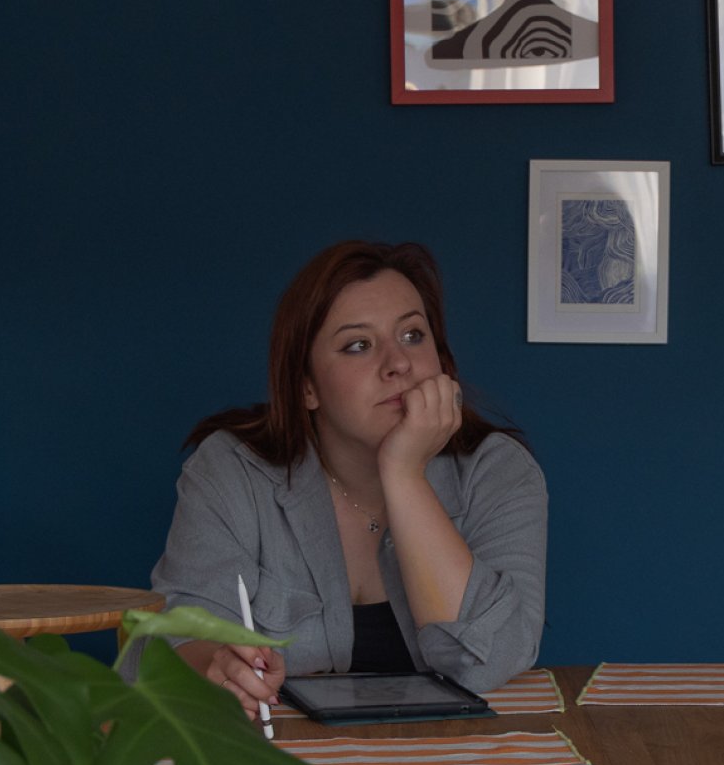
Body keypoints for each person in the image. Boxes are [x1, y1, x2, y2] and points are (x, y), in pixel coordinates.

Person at [143, 240, 547, 714]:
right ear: (307, 388)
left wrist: (404, 472)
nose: (398, 363)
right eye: (359, 345)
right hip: (279, 755)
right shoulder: (232, 470)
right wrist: (216, 666)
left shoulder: (497, 470)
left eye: (413, 335)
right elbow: (170, 639)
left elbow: (491, 659)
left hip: (463, 755)